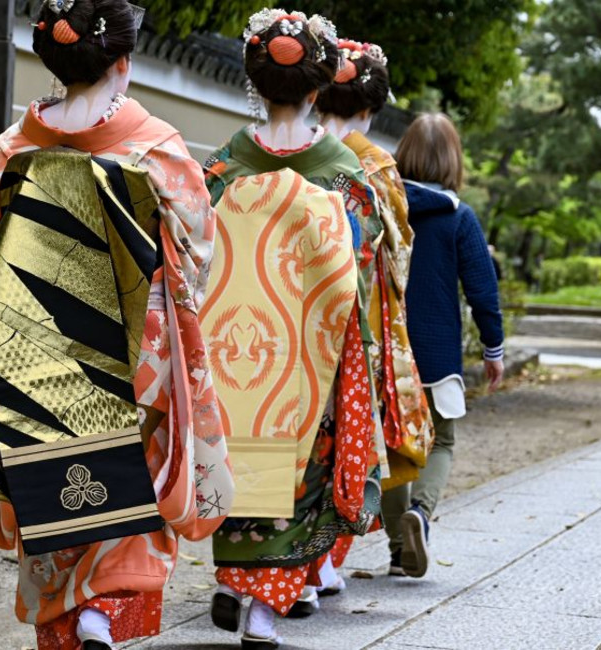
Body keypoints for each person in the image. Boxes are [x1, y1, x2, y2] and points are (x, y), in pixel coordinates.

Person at [0, 1, 233, 648]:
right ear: (124, 62)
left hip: (34, 342)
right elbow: (198, 245)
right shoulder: (155, 147)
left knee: (49, 479)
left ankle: (68, 613)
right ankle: (103, 612)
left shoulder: (14, 146)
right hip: (133, 345)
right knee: (132, 482)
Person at [199, 9, 382, 649]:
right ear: (317, 89)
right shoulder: (343, 174)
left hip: (233, 351)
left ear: (256, 83)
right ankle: (264, 609)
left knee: (237, 453)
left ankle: (231, 584)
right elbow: (363, 256)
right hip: (311, 354)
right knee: (302, 469)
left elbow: (194, 247)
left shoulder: (224, 166)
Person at [314, 38, 435, 593]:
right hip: (356, 315)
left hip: (290, 307)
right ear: (371, 109)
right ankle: (323, 560)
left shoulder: (292, 146)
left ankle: (283, 559)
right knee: (348, 432)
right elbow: (397, 249)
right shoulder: (376, 165)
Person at [383, 112, 505, 579]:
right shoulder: (460, 217)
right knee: (441, 442)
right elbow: (483, 292)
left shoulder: (384, 207)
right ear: (454, 160)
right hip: (437, 354)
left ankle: (398, 549)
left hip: (388, 350)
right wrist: (493, 351)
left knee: (394, 447)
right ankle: (422, 514)